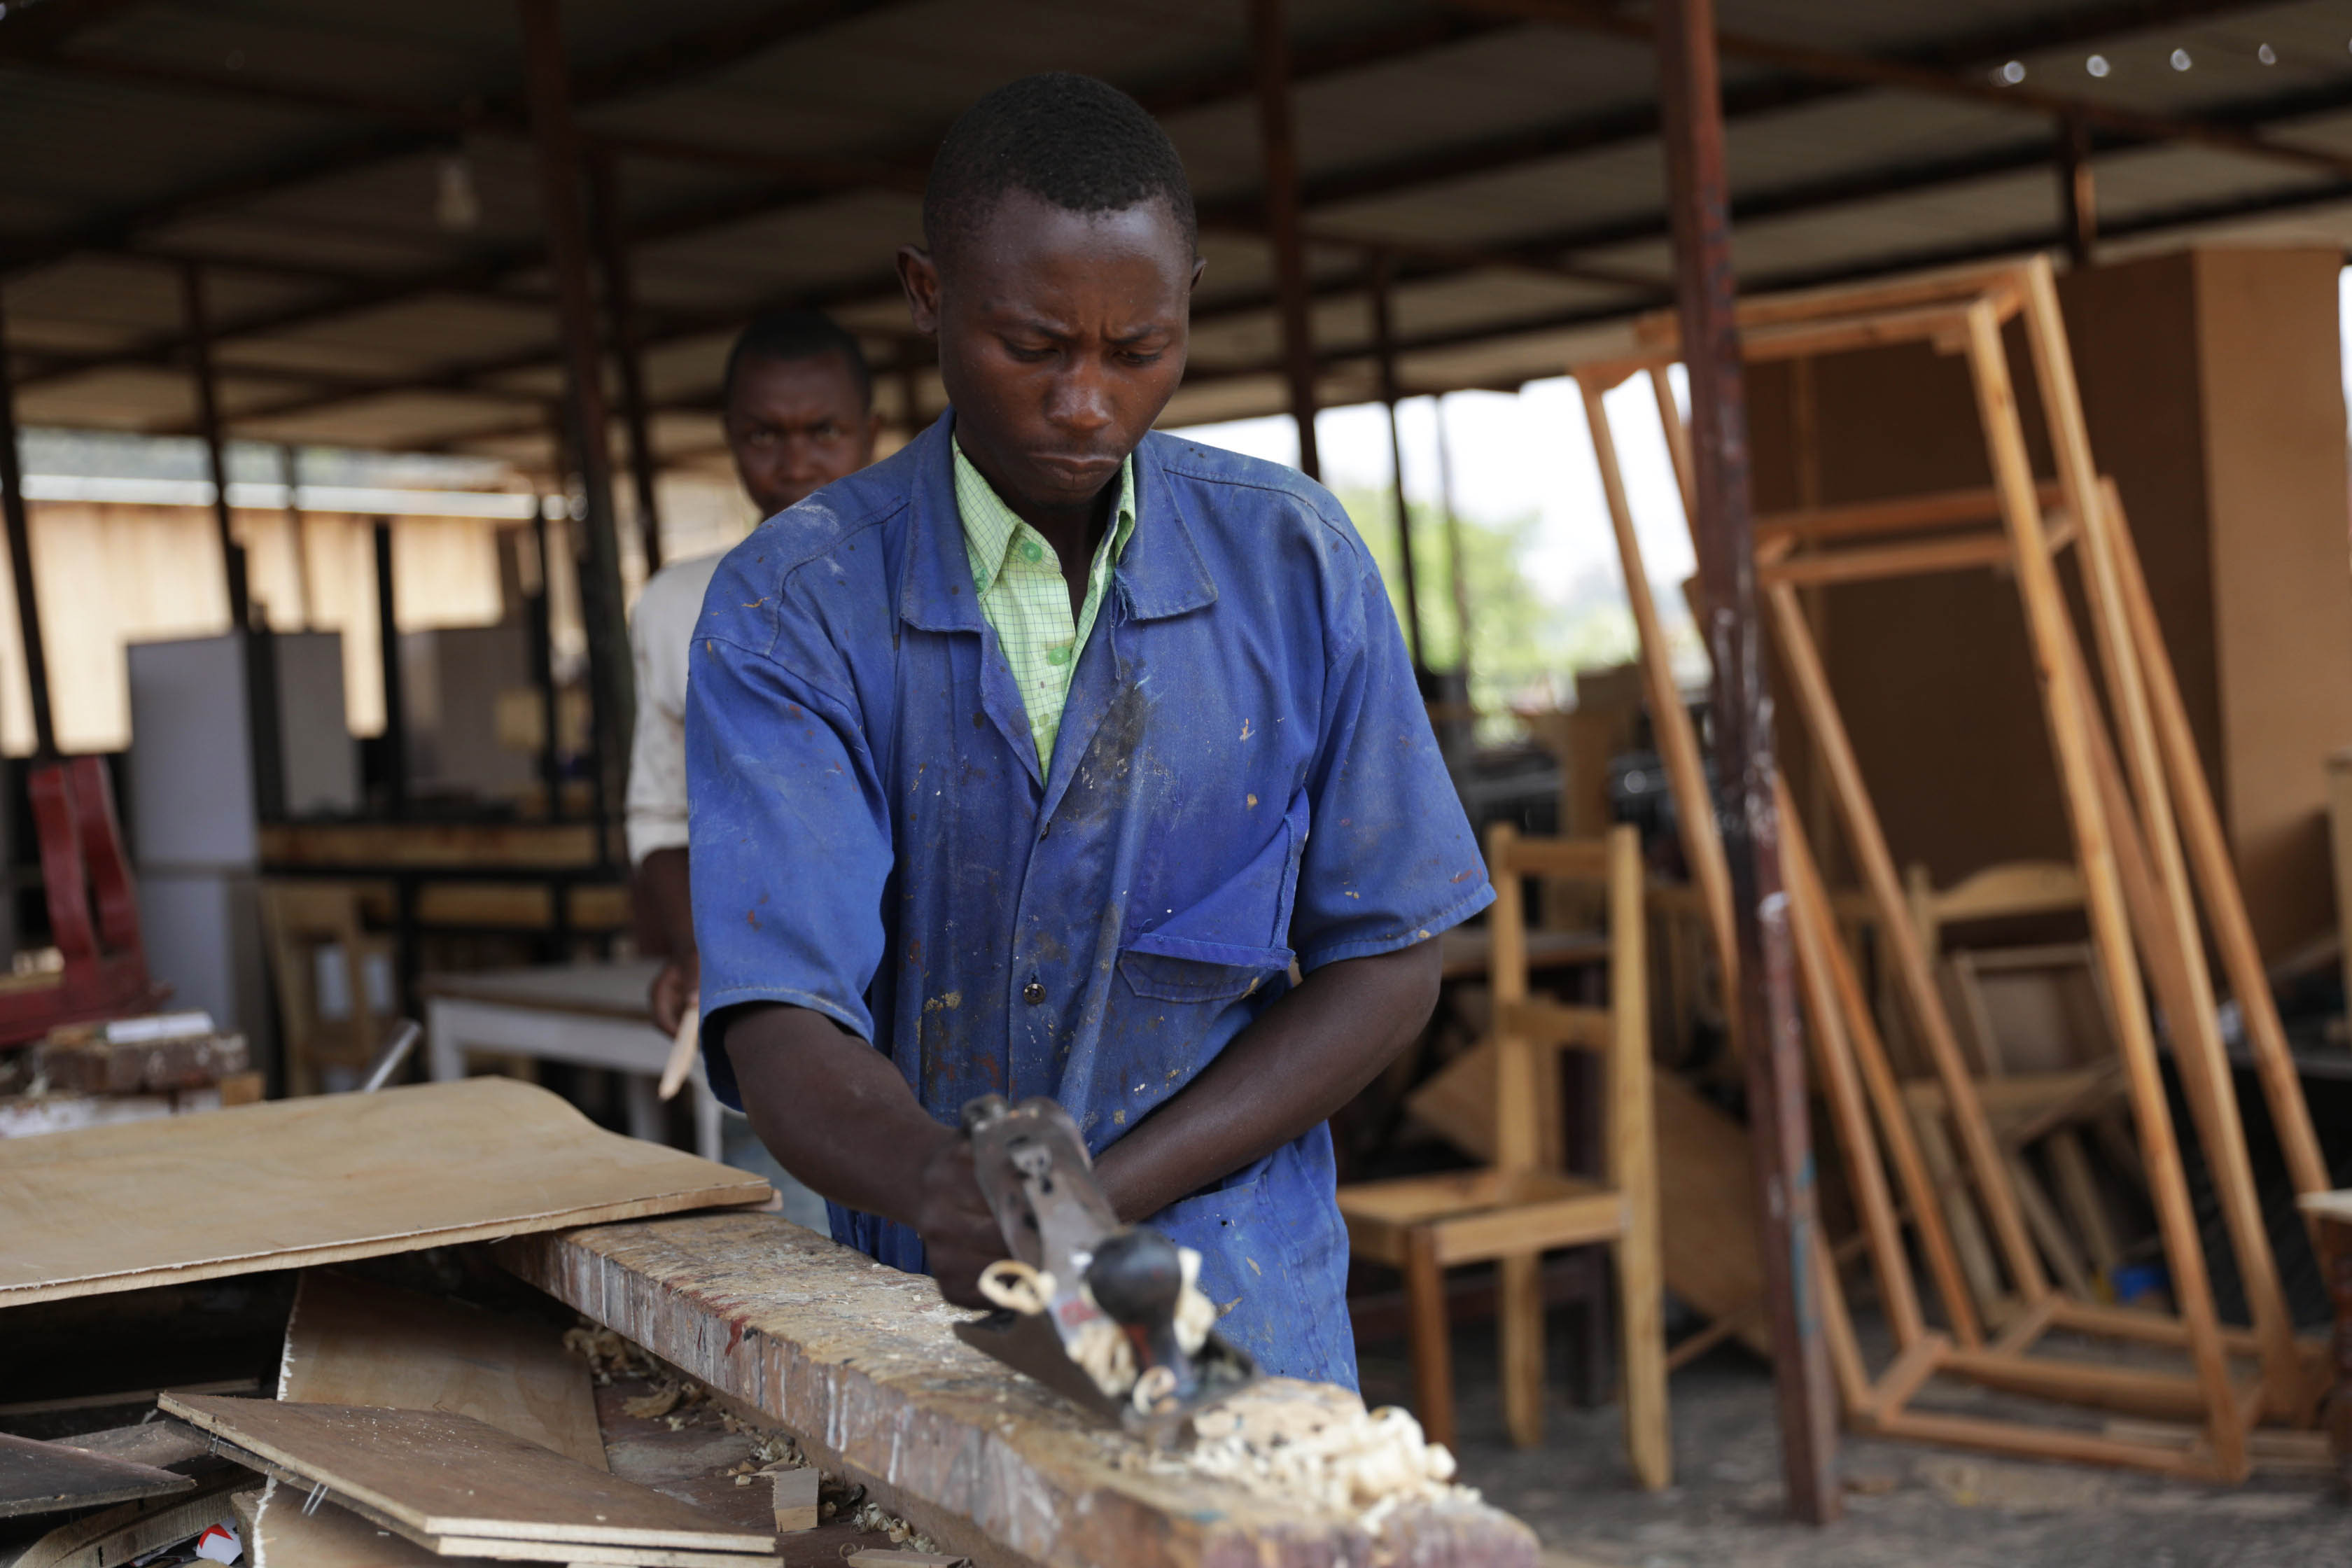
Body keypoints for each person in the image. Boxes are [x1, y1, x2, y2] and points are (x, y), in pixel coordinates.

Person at [684, 74, 1488, 1387]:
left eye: (1139, 350)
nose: (1086, 404)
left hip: (1244, 1297)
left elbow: (1392, 959)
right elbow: (783, 1019)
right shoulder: (799, 603)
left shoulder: (1293, 562)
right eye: (1035, 345)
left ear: (1190, 306)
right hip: (940, 1307)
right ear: (929, 293)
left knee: (1254, 1514)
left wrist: (1103, 1195)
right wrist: (949, 1185)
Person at [627, 311, 880, 1038]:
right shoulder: (679, 605)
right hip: (774, 1000)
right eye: (764, 435)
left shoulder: (942, 592)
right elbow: (661, 811)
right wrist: (697, 945)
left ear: (871, 430)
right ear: (730, 435)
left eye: (823, 432)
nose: (795, 463)